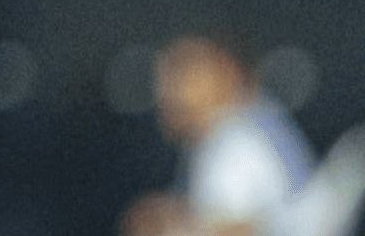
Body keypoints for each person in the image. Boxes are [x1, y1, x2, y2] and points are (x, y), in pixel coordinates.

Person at [122, 37, 316, 236]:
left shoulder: (232, 141)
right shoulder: (255, 114)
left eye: (183, 75)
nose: (167, 91)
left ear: (225, 74)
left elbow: (237, 230)